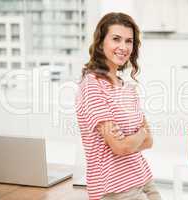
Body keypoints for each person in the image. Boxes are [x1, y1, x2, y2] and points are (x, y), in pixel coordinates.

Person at [75, 12, 162, 200]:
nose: (123, 47)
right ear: (100, 43)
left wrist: (136, 138)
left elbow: (149, 141)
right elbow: (120, 147)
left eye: (129, 41)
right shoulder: (92, 86)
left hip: (144, 178)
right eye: (116, 39)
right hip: (114, 189)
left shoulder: (126, 87)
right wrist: (139, 134)